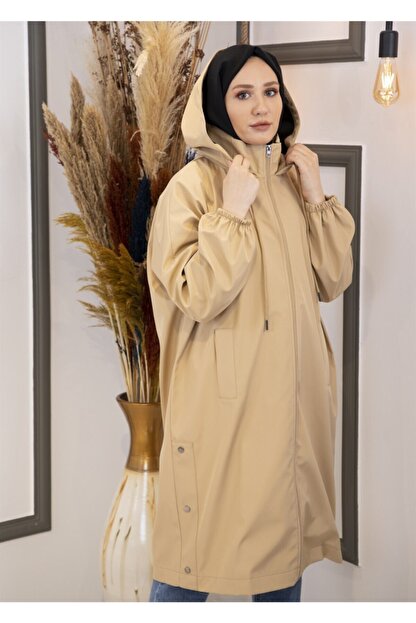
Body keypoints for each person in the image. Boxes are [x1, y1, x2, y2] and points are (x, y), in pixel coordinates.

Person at [146, 44, 356, 602]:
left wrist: (315, 196)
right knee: (192, 559)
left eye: (270, 92)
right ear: (218, 104)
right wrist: (232, 212)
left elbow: (332, 280)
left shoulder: (289, 180)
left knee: (284, 556)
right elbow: (196, 295)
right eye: (243, 94)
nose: (262, 107)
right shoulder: (190, 190)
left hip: (292, 403)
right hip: (223, 409)